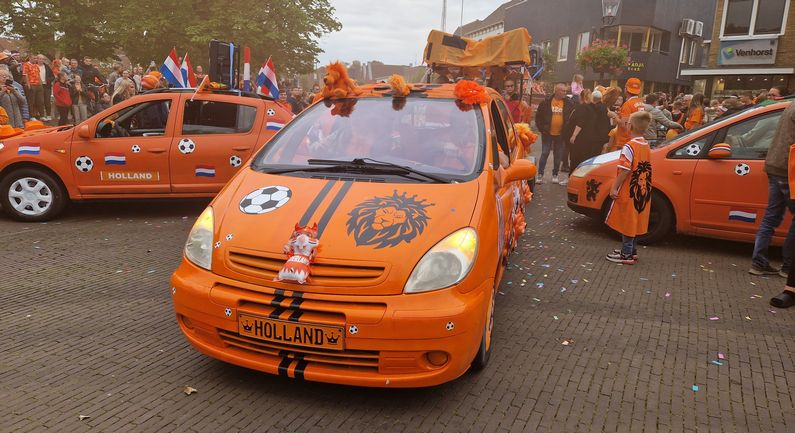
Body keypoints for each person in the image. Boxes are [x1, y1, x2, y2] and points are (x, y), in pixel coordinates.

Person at [750, 94, 795, 277]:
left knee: (771, 215)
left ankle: (758, 262)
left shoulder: (790, 106)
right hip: (789, 167)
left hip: (775, 164)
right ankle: (789, 266)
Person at [605, 111, 653, 264]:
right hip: (642, 189)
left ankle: (626, 253)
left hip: (629, 189)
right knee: (636, 218)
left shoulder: (629, 146)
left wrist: (614, 187)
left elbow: (625, 170)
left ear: (630, 126)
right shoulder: (645, 144)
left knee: (627, 219)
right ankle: (632, 250)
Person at [534, 82, 574, 184]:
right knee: (544, 153)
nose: (565, 92)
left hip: (561, 134)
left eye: (565, 91)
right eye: (562, 90)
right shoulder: (546, 102)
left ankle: (555, 174)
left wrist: (568, 130)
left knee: (558, 155)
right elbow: (538, 117)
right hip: (547, 133)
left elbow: (572, 118)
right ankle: (540, 174)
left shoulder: (569, 103)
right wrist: (542, 128)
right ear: (556, 91)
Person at [568, 89, 611, 172]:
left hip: (581, 138)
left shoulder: (583, 108)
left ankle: (573, 177)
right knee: (585, 159)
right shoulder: (595, 108)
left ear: (581, 97)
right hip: (590, 138)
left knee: (576, 159)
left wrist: (574, 135)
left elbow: (580, 123)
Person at [612, 77, 646, 158]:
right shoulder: (641, 102)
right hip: (635, 139)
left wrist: (614, 117)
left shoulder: (628, 104)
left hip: (625, 141)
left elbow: (624, 124)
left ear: (626, 89)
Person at [22, 54, 45, 120]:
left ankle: (42, 115)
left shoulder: (36, 65)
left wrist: (41, 84)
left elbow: (38, 74)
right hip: (31, 85)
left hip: (38, 85)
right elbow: (25, 75)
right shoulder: (26, 65)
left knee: (40, 101)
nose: (35, 60)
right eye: (34, 58)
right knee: (31, 101)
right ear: (30, 58)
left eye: (36, 58)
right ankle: (32, 116)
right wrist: (28, 84)